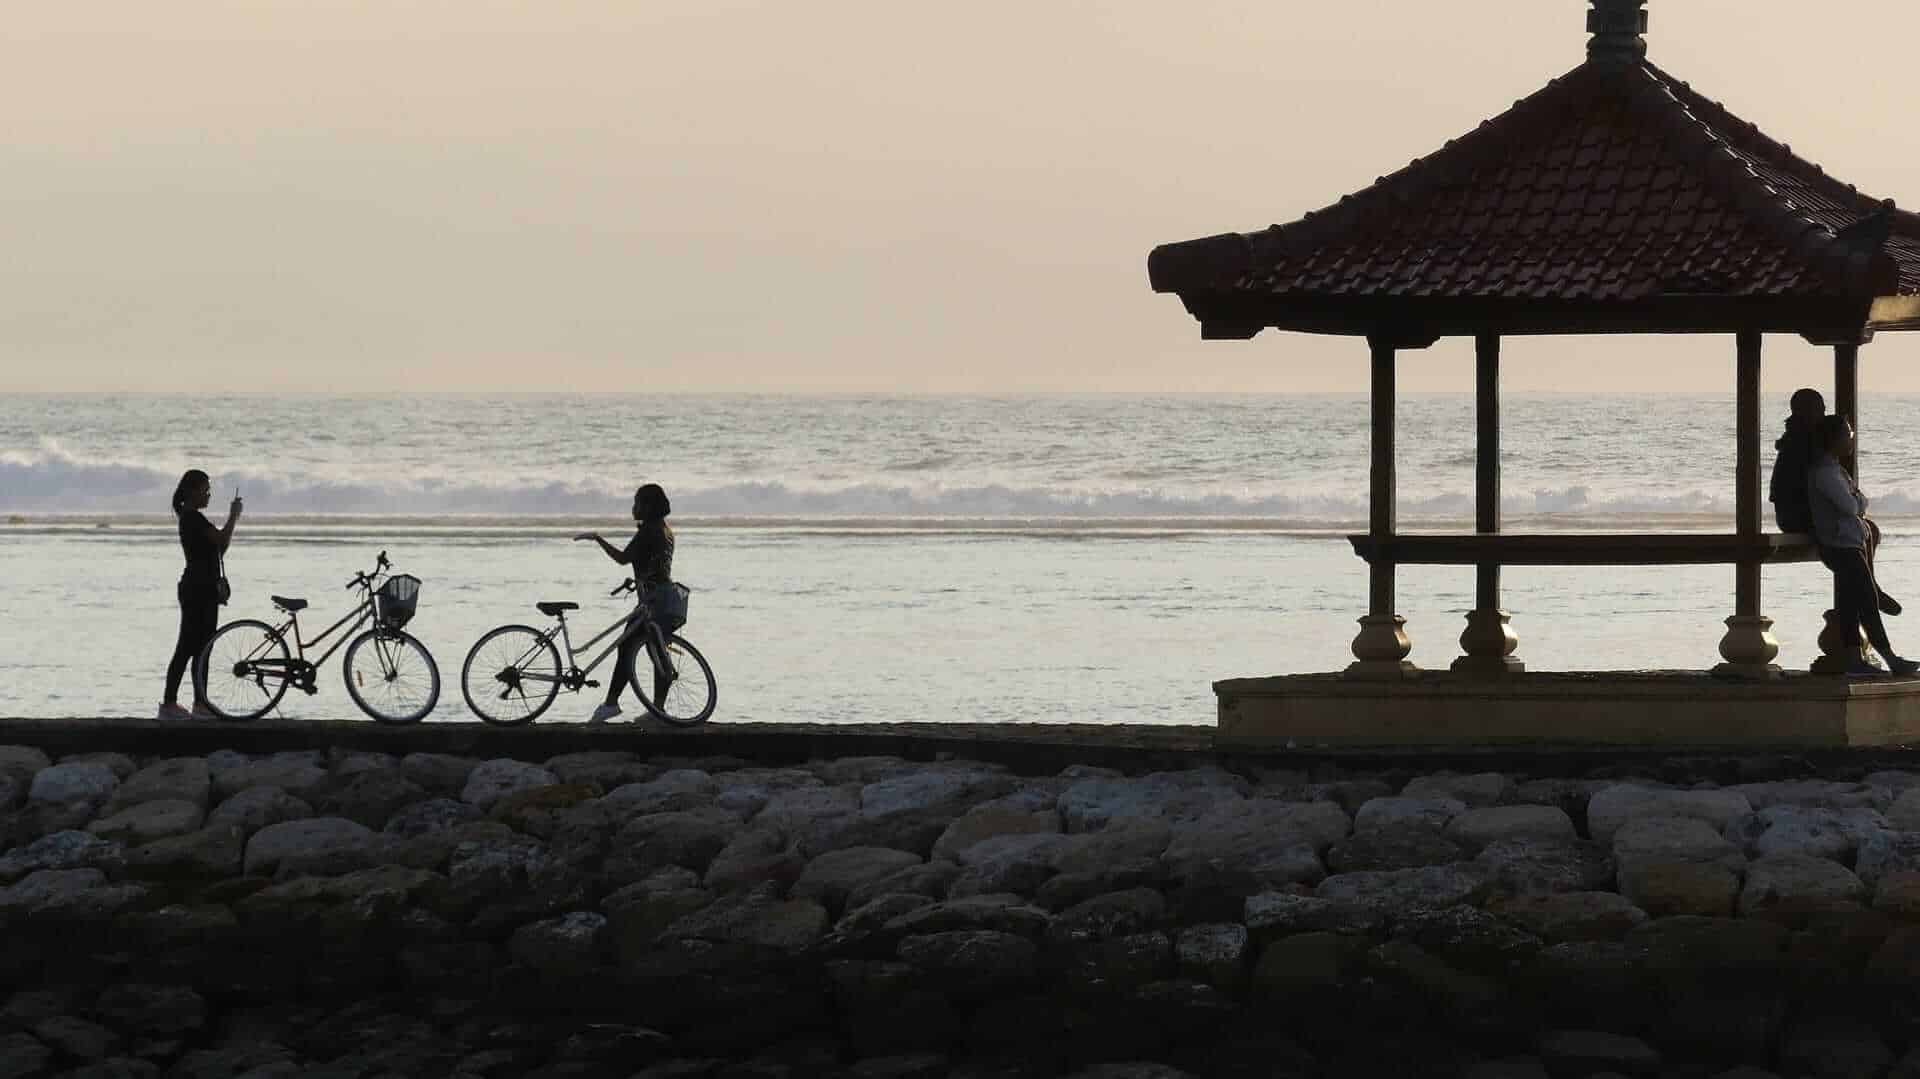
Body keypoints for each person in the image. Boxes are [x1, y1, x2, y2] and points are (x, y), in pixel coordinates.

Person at [1807, 416, 1918, 676]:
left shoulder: (1835, 470)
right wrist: (1856, 499)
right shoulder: (1825, 472)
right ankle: (1890, 658)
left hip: (1848, 544)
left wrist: (1856, 499)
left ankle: (1854, 659)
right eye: (1848, 434)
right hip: (1840, 546)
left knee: (1850, 603)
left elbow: (1858, 501)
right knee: (1867, 601)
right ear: (1834, 439)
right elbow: (1850, 506)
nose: (1851, 439)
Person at [1772, 388, 1900, 614]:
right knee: (1859, 532)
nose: (1822, 414)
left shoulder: (1804, 438)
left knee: (1868, 530)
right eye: (1819, 409)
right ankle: (1868, 593)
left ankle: (1869, 587)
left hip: (1806, 510)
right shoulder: (1802, 443)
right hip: (1796, 515)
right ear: (1805, 411)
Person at [574, 483, 675, 721]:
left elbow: (623, 558)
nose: (634, 507)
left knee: (630, 648)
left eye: (638, 502)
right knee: (655, 653)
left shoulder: (648, 530)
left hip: (652, 602)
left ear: (648, 507)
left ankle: (612, 704)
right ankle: (657, 709)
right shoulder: (664, 530)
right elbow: (655, 565)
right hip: (662, 597)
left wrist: (598, 539)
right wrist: (639, 578)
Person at [160, 470, 242, 718]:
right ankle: (172, 704)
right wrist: (233, 517)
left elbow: (220, 548)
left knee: (201, 647)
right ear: (191, 491)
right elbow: (220, 540)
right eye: (204, 490)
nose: (208, 494)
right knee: (189, 647)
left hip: (202, 588)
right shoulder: (192, 518)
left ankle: (198, 702)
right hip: (197, 589)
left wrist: (229, 524)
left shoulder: (193, 518)